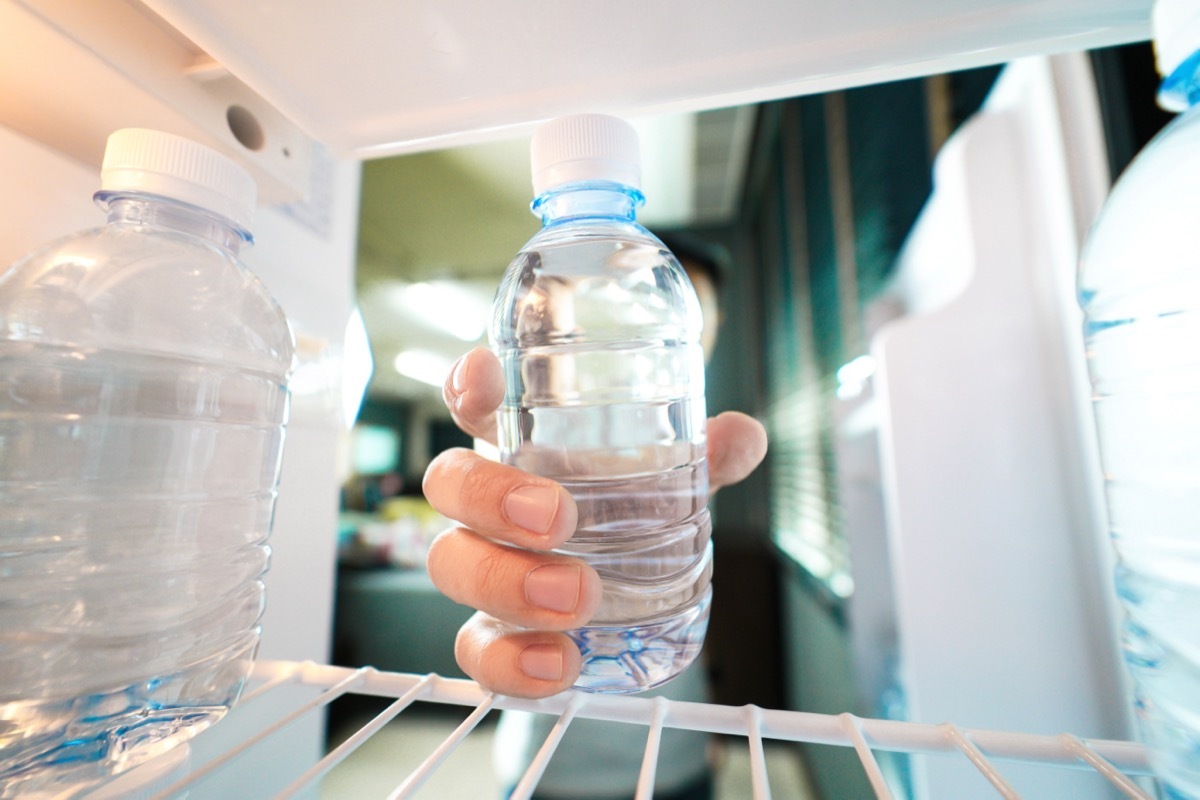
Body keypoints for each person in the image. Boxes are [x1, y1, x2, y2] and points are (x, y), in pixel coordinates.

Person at [422, 235, 768, 798]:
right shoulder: (532, 446)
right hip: (544, 761)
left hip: (679, 753)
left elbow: (688, 584)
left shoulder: (690, 446)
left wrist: (714, 726)